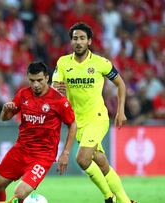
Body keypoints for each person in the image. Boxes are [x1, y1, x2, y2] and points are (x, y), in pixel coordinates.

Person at [52, 22, 136, 203]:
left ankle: (108, 197)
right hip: (77, 122)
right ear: (71, 42)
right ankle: (125, 200)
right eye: (75, 38)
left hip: (97, 118)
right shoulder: (63, 63)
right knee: (100, 160)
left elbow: (121, 84)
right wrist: (58, 92)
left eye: (82, 38)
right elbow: (56, 87)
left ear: (89, 41)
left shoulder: (101, 63)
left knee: (82, 159)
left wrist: (120, 111)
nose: (78, 42)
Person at [0, 62, 77, 203]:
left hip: (42, 156)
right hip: (20, 150)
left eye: (39, 80)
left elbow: (72, 125)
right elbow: (5, 118)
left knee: (19, 194)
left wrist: (66, 153)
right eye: (32, 81)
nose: (35, 84)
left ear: (47, 78)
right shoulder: (23, 94)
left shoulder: (59, 101)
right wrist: (5, 110)